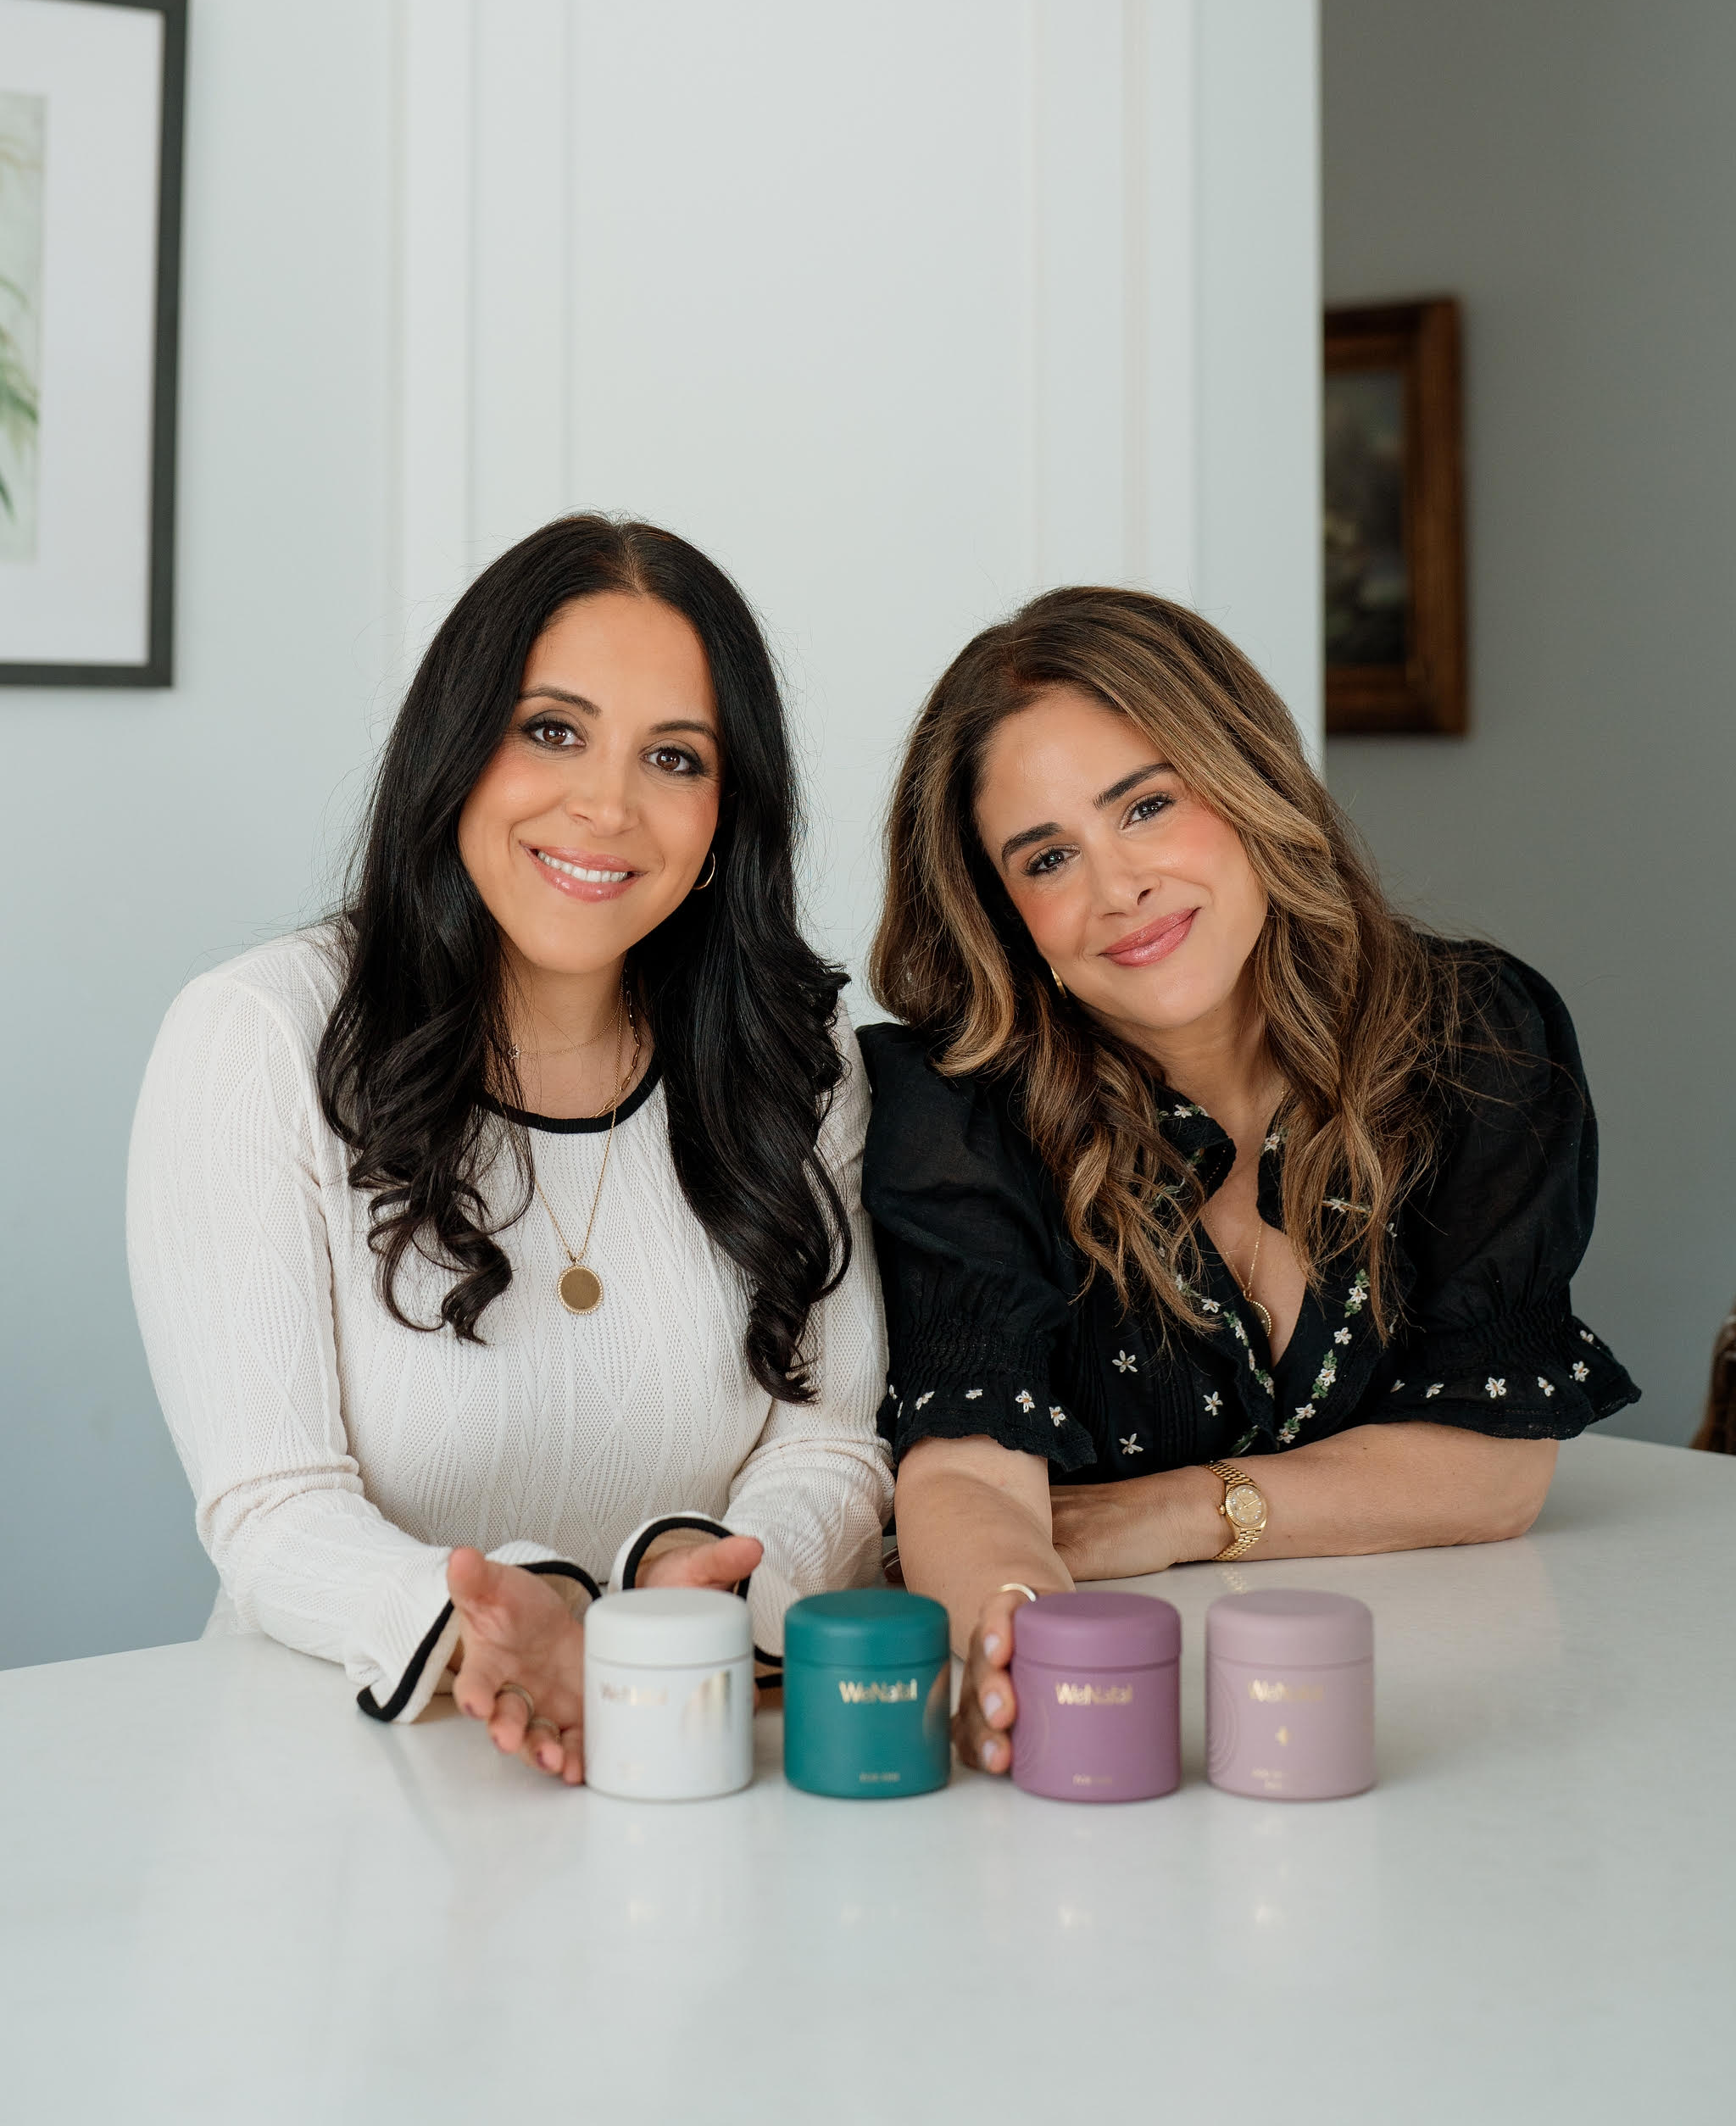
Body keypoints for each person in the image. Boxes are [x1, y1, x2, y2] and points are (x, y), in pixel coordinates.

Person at [128, 516, 890, 1782]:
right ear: (456, 749)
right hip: (340, 1776)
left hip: (702, 1749)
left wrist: (694, 1596)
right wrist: (507, 1621)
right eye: (552, 730)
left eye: (675, 756)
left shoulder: (796, 1063)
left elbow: (830, 1445)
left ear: (727, 813)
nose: (606, 803)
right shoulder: (258, 1038)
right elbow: (269, 1511)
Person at [860, 587, 1636, 1774]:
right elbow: (968, 1463)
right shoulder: (958, 1104)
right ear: (1004, 915)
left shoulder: (1476, 1039)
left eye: (1148, 806)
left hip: (1474, 1709)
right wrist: (1012, 1629)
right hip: (1115, 1731)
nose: (1116, 887)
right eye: (1048, 856)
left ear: (1246, 781)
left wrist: (1170, 1514)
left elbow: (1495, 1465)